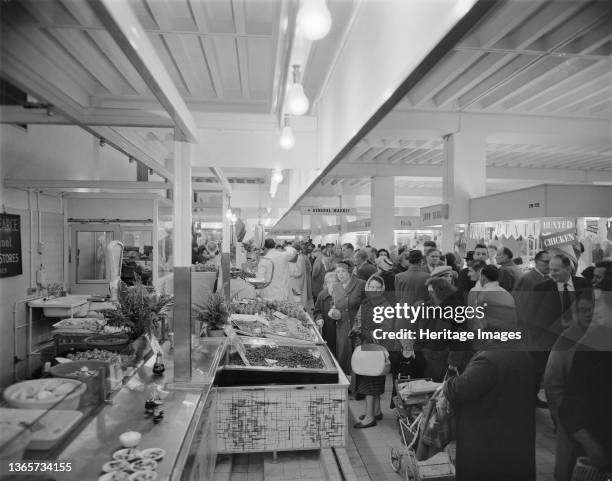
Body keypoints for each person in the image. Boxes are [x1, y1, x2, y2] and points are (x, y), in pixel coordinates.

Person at [443, 324, 537, 481]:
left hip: (488, 440)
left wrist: (447, 384)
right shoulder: (524, 355)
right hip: (516, 437)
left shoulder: (488, 360)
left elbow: (459, 389)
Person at [543, 292, 595, 481]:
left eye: (593, 310)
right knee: (571, 471)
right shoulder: (569, 338)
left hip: (596, 424)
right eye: (584, 310)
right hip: (574, 423)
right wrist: (565, 420)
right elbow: (552, 384)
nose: (589, 314)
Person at [527, 254, 591, 384]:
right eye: (550, 269)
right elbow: (531, 317)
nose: (552, 273)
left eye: (556, 270)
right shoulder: (540, 289)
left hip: (579, 342)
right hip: (550, 344)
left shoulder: (584, 284)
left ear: (568, 268)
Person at [352, 275, 399, 429]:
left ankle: (369, 416)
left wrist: (367, 334)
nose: (374, 290)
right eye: (371, 287)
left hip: (376, 347)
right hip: (366, 345)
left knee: (370, 381)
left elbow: (386, 329)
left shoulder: (385, 306)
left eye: (377, 287)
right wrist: (356, 331)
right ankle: (377, 411)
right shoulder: (365, 302)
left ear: (383, 289)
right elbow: (358, 321)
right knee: (373, 379)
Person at [330, 261, 365, 376]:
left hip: (359, 326)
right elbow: (334, 304)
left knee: (358, 355)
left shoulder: (361, 284)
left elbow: (368, 304)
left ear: (349, 271)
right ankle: (347, 384)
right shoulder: (335, 287)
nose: (340, 274)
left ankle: (358, 386)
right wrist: (333, 311)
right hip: (342, 326)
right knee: (343, 355)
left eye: (343, 271)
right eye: (338, 272)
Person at [468, 265, 517, 332]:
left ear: (483, 278)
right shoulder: (506, 292)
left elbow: (474, 319)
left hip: (494, 336)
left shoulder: (483, 294)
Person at [313, 272, 341, 357]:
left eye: (334, 282)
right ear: (326, 284)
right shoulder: (322, 295)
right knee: (329, 351)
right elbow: (317, 311)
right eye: (329, 282)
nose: (332, 284)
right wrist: (319, 318)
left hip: (340, 329)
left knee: (340, 351)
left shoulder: (343, 294)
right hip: (328, 329)